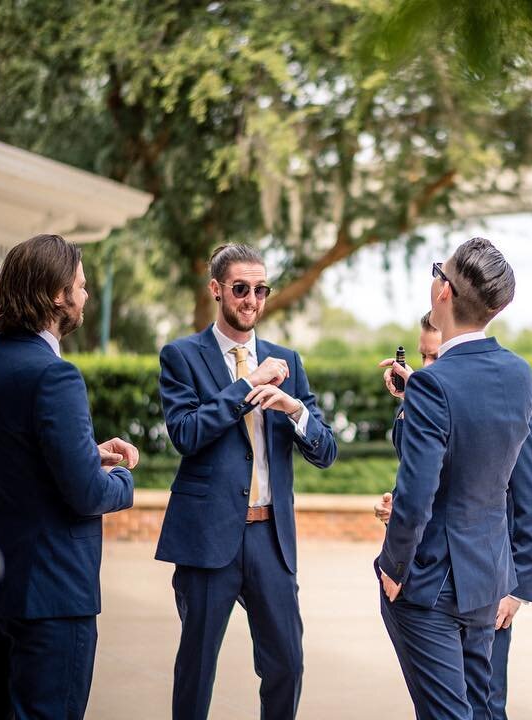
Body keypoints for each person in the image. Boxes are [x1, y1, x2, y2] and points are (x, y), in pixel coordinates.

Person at [0, 234, 137, 719]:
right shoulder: (56, 376)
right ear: (57, 295)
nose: (86, 296)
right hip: (53, 597)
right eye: (81, 285)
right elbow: (86, 493)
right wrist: (123, 482)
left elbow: (7, 461)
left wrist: (85, 453)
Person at [155, 243, 337, 720]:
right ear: (217, 290)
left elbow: (326, 451)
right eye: (240, 288)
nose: (251, 299)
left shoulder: (288, 362)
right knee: (196, 667)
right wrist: (247, 385)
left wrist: (295, 409)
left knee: (287, 665)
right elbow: (186, 434)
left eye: (260, 289)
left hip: (269, 538)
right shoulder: (182, 356)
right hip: (207, 535)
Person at [376, 237, 532, 720]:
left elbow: (416, 494)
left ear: (443, 292)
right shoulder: (519, 374)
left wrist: (393, 568)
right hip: (486, 579)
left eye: (437, 271)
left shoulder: (434, 383)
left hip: (429, 584)